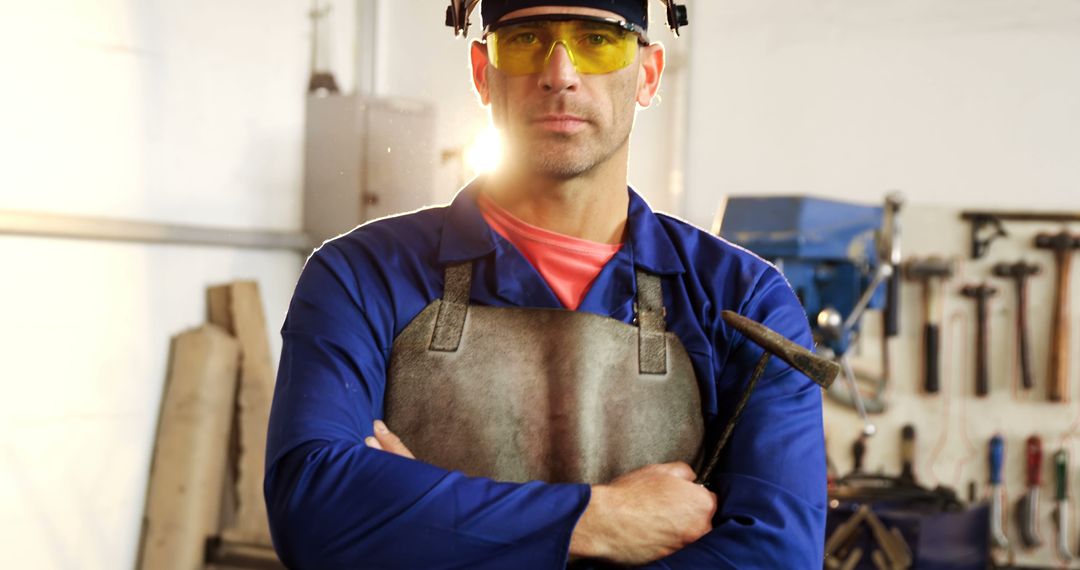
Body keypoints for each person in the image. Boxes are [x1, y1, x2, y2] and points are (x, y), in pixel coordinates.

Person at [264, 1, 826, 568]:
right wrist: (600, 519)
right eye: (527, 39)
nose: (560, 73)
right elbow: (314, 510)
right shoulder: (361, 276)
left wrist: (424, 519)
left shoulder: (740, 299)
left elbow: (774, 555)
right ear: (484, 72)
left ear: (648, 75)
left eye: (598, 41)